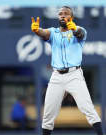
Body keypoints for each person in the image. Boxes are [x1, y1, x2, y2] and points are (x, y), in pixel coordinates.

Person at [31, 6, 103, 135]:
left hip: (74, 75)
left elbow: (79, 33)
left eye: (66, 14)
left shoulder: (79, 31)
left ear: (72, 17)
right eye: (60, 14)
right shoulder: (54, 32)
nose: (62, 16)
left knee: (87, 108)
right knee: (48, 113)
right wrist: (37, 31)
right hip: (57, 76)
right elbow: (44, 32)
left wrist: (74, 28)